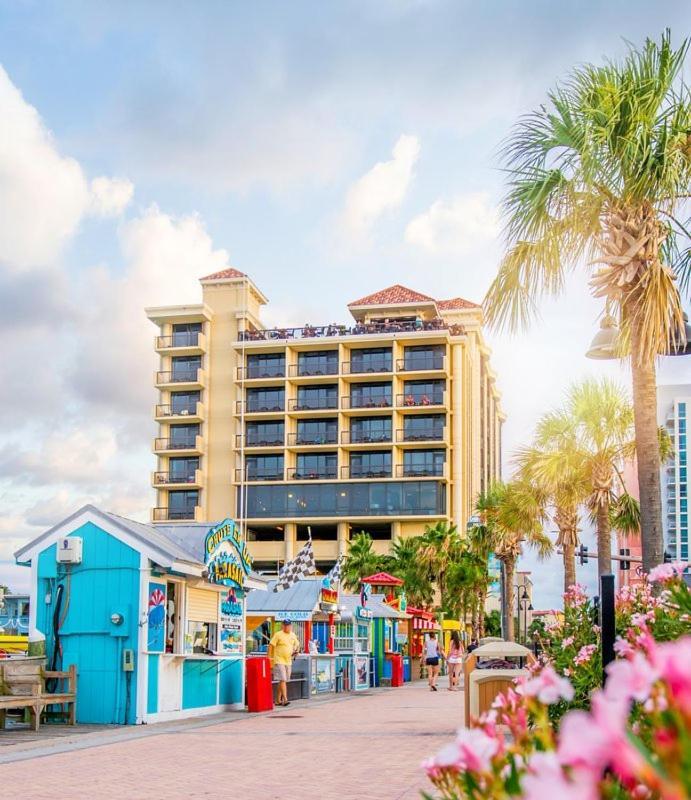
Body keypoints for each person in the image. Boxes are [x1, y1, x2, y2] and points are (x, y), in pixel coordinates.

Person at [268, 619, 300, 706]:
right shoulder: (278, 634)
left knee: (283, 680)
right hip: (278, 660)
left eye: (288, 625)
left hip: (288, 661)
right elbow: (271, 645)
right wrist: (269, 658)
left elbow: (297, 644)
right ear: (282, 625)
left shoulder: (293, 635)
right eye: (285, 625)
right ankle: (285, 699)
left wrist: (296, 651)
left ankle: (277, 700)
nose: (287, 627)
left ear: (291, 626)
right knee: (283, 679)